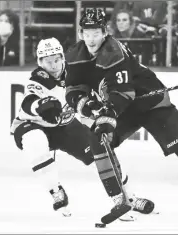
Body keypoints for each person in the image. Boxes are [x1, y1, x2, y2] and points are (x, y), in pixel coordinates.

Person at [64, 8, 178, 218]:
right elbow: (73, 89)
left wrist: (107, 116)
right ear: (81, 33)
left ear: (105, 32)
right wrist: (87, 105)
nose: (91, 39)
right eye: (86, 33)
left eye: (96, 33)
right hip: (125, 108)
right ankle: (122, 200)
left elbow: (123, 92)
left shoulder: (114, 51)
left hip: (151, 102)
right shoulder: (74, 55)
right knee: (98, 138)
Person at [10, 37, 154, 219]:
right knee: (34, 141)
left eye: (56, 60)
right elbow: (28, 102)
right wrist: (42, 106)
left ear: (62, 58)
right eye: (47, 62)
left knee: (100, 155)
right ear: (40, 63)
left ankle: (128, 198)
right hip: (30, 125)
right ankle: (55, 190)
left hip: (65, 126)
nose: (53, 66)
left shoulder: (75, 73)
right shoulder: (39, 79)